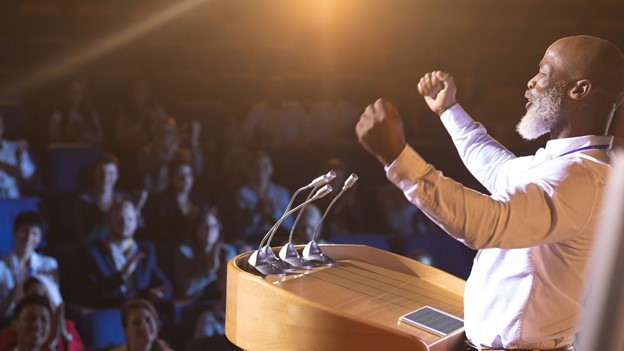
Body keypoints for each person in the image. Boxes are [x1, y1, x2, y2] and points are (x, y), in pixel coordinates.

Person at [355, 35, 624, 350]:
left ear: (578, 89)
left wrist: (398, 158)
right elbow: (498, 169)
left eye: (545, 73)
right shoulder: (563, 165)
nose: (531, 82)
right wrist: (449, 110)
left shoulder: (582, 179)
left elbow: (489, 224)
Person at [83, 200, 171, 308]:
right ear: (109, 222)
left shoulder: (145, 250)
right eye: (119, 219)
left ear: (136, 223)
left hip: (140, 313)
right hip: (111, 314)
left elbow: (166, 286)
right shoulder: (94, 253)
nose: (125, 223)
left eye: (130, 219)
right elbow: (90, 294)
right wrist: (121, 276)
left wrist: (158, 294)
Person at [0, 275, 84, 351]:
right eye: (33, 295)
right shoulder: (12, 330)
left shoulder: (66, 327)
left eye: (43, 295)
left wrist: (63, 335)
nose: (36, 325)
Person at [0, 212, 58, 318]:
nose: (29, 237)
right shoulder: (2, 267)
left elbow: (55, 299)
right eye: (24, 231)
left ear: (40, 238)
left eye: (34, 233)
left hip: (40, 320)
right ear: (14, 232)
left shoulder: (49, 264)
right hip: (9, 319)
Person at [172, 207, 236, 301]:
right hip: (195, 304)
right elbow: (186, 289)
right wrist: (210, 269)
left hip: (222, 303)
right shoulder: (184, 253)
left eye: (213, 226)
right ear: (196, 229)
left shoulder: (227, 251)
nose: (209, 230)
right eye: (204, 226)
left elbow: (233, 285)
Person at [233, 150, 293, 245]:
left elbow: (289, 226)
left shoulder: (281, 193)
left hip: (278, 240)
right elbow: (241, 230)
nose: (261, 170)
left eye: (265, 166)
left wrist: (275, 211)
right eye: (257, 167)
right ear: (250, 169)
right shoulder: (243, 194)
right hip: (252, 241)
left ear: (271, 169)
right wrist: (257, 211)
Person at [48, 77, 104, 146]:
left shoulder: (91, 114)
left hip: (87, 151)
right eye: (73, 91)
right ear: (67, 93)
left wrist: (86, 135)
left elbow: (99, 137)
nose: (76, 95)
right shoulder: (58, 115)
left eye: (80, 92)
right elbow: (54, 140)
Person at [0, 114, 36, 198]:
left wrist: (21, 159)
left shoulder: (15, 147)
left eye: (0, 124)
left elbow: (31, 180)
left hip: (13, 201)